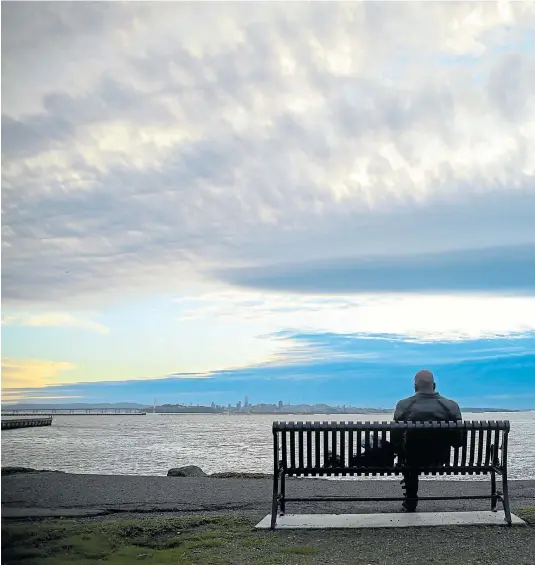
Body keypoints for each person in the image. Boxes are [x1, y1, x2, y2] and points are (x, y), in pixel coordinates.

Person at [392, 369, 462, 512]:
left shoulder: (404, 405)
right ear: (434, 386)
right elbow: (458, 441)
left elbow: (395, 439)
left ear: (415, 387)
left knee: (407, 456)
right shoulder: (451, 406)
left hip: (411, 461)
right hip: (441, 459)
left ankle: (411, 500)